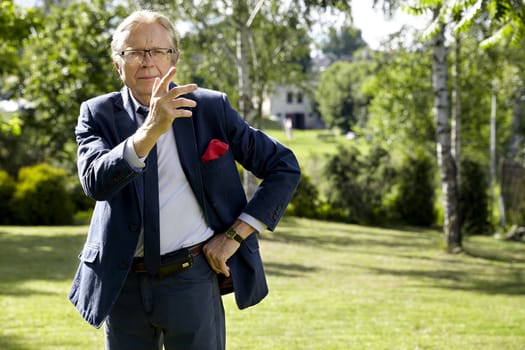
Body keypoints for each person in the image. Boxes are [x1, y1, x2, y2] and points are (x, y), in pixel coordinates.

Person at [68, 9, 301, 350]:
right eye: (134, 52)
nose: (147, 62)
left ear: (173, 58)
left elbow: (284, 166)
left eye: (157, 51)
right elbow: (95, 183)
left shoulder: (210, 108)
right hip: (123, 283)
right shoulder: (96, 113)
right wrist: (150, 131)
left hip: (191, 277)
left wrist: (235, 235)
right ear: (118, 63)